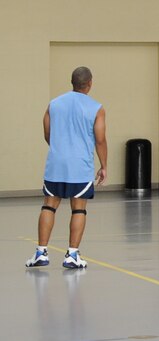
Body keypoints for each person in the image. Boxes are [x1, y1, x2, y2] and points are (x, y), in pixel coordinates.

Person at [26, 67, 107, 269]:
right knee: (78, 209)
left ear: (72, 82)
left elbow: (48, 134)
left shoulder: (53, 104)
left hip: (56, 164)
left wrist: (60, 150)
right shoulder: (97, 108)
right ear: (90, 83)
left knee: (49, 205)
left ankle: (40, 252)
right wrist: (104, 165)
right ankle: (72, 255)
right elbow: (100, 140)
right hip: (80, 166)